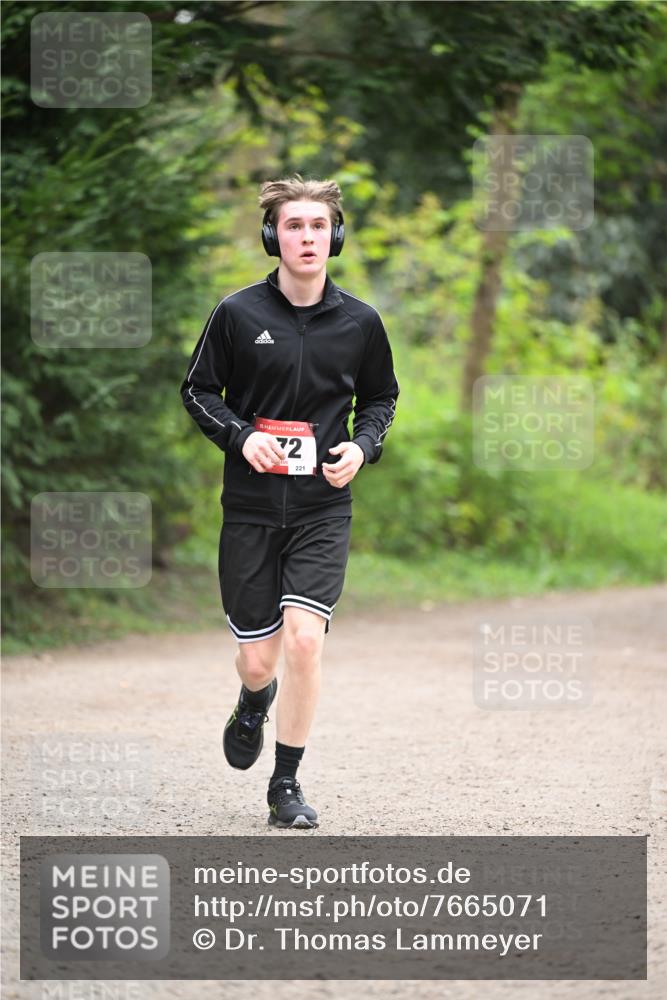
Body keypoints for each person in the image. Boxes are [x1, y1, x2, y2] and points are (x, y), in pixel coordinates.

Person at [180, 174, 399, 829]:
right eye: (293, 225)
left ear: (336, 236)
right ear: (271, 236)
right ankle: (254, 701)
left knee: (304, 641)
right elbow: (198, 390)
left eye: (318, 226)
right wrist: (241, 437)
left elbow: (380, 399)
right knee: (258, 660)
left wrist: (362, 446)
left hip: (321, 507)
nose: (307, 237)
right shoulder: (237, 314)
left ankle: (285, 785)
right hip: (250, 507)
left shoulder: (361, 322)